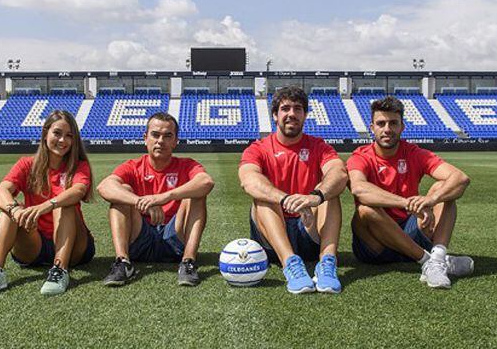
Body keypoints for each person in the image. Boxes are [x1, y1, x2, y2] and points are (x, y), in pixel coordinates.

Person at [347, 96, 473, 289]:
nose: (387, 129)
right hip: (375, 245)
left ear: (402, 127)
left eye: (393, 123)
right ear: (372, 128)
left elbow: (460, 178)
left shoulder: (414, 153)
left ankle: (437, 258)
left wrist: (431, 200)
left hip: (410, 229)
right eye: (381, 123)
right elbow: (359, 189)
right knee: (365, 210)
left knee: (444, 190)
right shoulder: (360, 156)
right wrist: (406, 203)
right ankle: (428, 261)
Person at [0, 110, 95, 296]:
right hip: (34, 243)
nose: (62, 140)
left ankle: (60, 269)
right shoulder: (27, 164)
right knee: (10, 208)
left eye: (69, 136)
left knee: (64, 205)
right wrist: (15, 212)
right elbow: (1, 191)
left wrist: (48, 204)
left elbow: (78, 191)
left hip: (73, 244)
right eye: (57, 133)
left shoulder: (78, 165)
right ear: (45, 133)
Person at [239, 86, 348, 294]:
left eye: (298, 109)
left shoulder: (319, 146)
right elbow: (248, 180)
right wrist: (285, 199)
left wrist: (314, 198)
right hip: (271, 237)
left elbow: (339, 173)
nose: (291, 114)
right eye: (285, 108)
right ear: (274, 115)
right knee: (263, 194)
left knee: (330, 192)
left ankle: (327, 263)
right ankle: (290, 264)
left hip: (309, 229)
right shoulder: (258, 148)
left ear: (305, 115)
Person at [98, 112, 214, 287]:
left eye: (168, 136)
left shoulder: (187, 165)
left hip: (174, 238)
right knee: (123, 191)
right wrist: (141, 202)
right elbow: (104, 187)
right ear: (145, 138)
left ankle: (188, 262)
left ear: (175, 141)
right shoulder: (132, 166)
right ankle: (123, 262)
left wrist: (162, 198)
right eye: (155, 135)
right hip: (139, 237)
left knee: (196, 194)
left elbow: (206, 182)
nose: (160, 141)